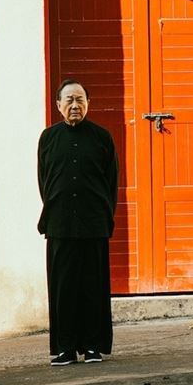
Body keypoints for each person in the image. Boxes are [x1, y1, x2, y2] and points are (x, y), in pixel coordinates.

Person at [36, 79, 119, 366]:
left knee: (93, 287)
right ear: (58, 105)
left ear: (88, 104)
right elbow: (44, 181)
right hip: (59, 225)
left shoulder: (102, 137)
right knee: (63, 289)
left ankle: (93, 346)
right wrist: (54, 209)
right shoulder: (48, 138)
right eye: (69, 100)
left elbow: (111, 183)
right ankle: (65, 348)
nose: (75, 105)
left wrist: (104, 216)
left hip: (93, 224)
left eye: (80, 99)